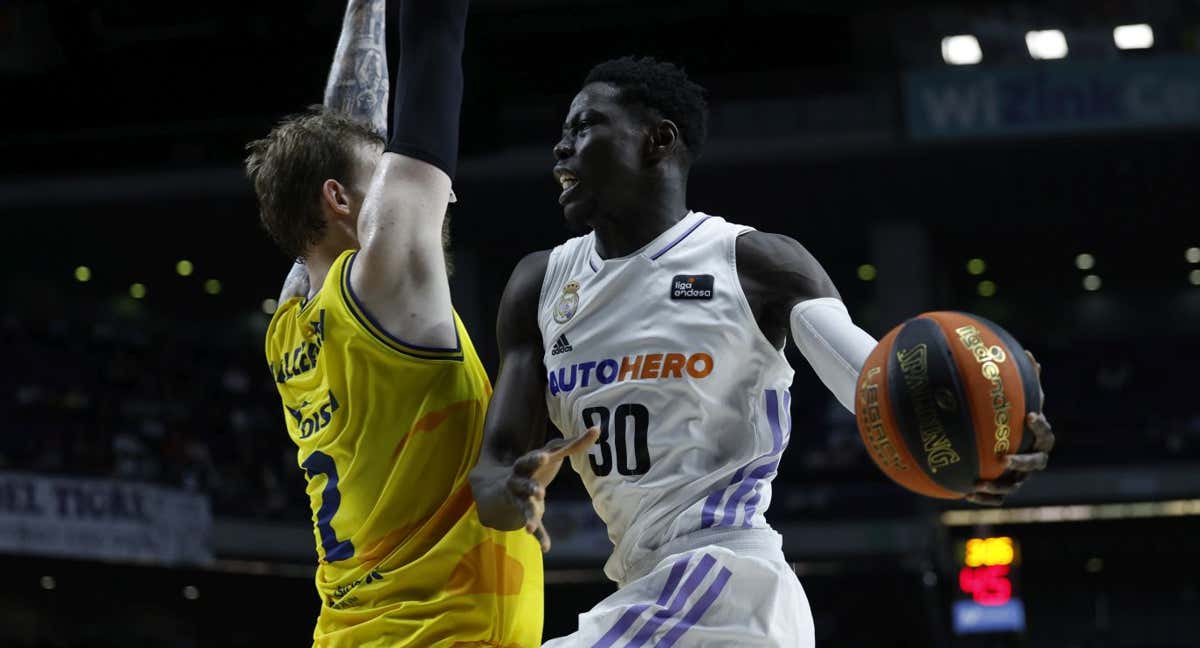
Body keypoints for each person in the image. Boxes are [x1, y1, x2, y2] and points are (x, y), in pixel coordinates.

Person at [469, 57, 1056, 646]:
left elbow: (874, 381)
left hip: (726, 585)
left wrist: (976, 440)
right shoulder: (540, 285)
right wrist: (513, 493)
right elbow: (494, 472)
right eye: (563, 132)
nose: (560, 149)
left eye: (584, 127)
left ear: (658, 140)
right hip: (650, 591)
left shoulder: (754, 264)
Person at [246, 1, 587, 645]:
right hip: (439, 633)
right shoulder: (382, 280)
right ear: (340, 201)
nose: (442, 196)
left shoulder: (290, 318)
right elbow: (434, 50)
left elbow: (346, 126)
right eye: (389, 179)